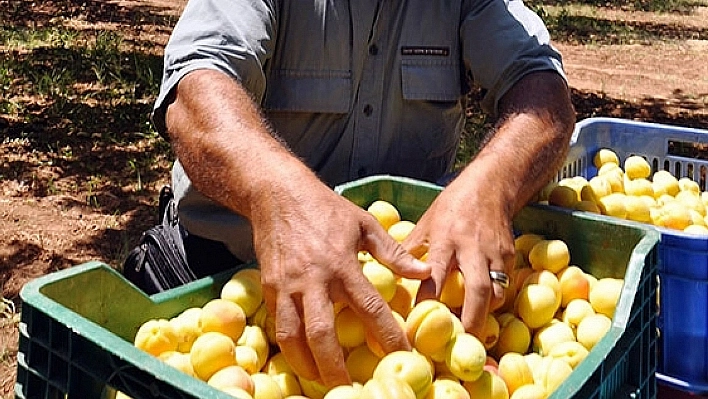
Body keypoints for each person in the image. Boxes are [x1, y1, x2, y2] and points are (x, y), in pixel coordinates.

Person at [132, 0, 575, 389]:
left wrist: (491, 186)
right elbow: (196, 90)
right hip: (224, 277)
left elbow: (543, 92)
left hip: (403, 295)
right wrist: (278, 197)